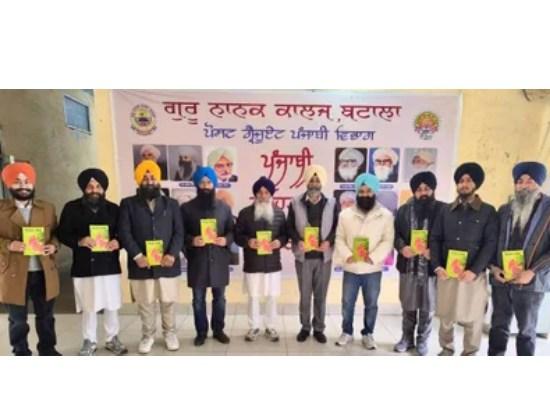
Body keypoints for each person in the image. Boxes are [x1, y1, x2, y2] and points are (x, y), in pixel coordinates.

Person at [57, 168, 127, 356]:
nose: (94, 190)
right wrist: (79, 241)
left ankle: (112, 338)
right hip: (84, 265)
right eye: (90, 186)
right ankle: (89, 340)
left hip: (109, 265)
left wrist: (118, 242)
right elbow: (62, 233)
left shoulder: (114, 209)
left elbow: (123, 232)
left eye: (98, 186)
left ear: (104, 188)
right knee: (89, 305)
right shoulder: (71, 208)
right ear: (83, 188)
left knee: (112, 304)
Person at [430, 162, 498, 356]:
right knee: (446, 315)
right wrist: (437, 266)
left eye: (468, 180)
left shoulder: (487, 211)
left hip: (473, 275)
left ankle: (470, 352)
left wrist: (474, 271)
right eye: (460, 181)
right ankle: (446, 348)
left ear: (476, 184)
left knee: (473, 317)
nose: (464, 184)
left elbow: (490, 243)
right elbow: (435, 239)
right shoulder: (446, 210)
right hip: (447, 272)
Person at [118, 160, 184, 354]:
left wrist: (172, 254)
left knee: (168, 301)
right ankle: (147, 336)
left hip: (167, 263)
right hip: (141, 264)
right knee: (145, 303)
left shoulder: (171, 204)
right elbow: (124, 232)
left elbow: (179, 232)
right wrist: (137, 255)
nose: (149, 181)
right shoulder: (128, 204)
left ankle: (170, 333)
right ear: (139, 181)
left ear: (158, 180)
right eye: (145, 178)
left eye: (153, 177)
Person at [489, 161, 550, 355]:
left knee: (526, 331)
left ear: (539, 183)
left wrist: (532, 271)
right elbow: (491, 241)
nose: (524, 186)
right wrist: (493, 268)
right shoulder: (505, 210)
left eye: (529, 181)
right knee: (498, 326)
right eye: (519, 181)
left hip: (531, 282)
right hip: (502, 279)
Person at [0, 162, 61, 355]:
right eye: (17, 181)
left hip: (44, 271)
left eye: (27, 181)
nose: (23, 186)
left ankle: (48, 349)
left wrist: (54, 246)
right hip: (13, 272)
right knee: (17, 319)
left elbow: (56, 234)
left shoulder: (47, 208)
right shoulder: (1, 210)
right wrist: (8, 245)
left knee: (46, 316)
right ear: (9, 184)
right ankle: (20, 351)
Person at [334, 173, 394, 349]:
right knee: (347, 303)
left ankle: (368, 334)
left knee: (371, 304)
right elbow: (339, 238)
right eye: (361, 191)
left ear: (374, 192)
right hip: (351, 267)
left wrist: (373, 257)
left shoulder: (385, 215)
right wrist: (347, 255)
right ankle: (347, 332)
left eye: (368, 191)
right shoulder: (345, 215)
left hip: (372, 269)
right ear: (357, 193)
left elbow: (387, 241)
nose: (365, 194)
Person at [181, 166, 235, 346]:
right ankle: (201, 332)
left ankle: (218, 330)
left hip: (219, 260)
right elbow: (180, 234)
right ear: (197, 184)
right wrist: (192, 240)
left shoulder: (224, 208)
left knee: (220, 299)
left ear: (214, 184)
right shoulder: (187, 208)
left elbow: (232, 231)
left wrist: (225, 240)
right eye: (202, 183)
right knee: (198, 300)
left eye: (209, 182)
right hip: (198, 261)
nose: (205, 186)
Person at [393, 171, 445, 355]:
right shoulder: (404, 211)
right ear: (414, 191)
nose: (423, 193)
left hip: (431, 269)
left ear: (433, 190)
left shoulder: (443, 210)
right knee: (408, 305)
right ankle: (406, 338)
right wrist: (402, 248)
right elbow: (396, 235)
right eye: (419, 189)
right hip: (408, 267)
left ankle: (422, 340)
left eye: (426, 189)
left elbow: (448, 238)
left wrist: (436, 253)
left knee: (427, 307)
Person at [287, 164, 339, 343]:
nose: (314, 183)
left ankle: (319, 328)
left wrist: (329, 241)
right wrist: (297, 240)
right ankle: (305, 327)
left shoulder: (332, 203)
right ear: (306, 181)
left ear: (322, 182)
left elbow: (337, 227)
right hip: (303, 258)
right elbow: (289, 227)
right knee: (305, 295)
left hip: (324, 258)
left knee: (320, 295)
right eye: (311, 179)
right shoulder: (295, 202)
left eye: (317, 180)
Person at [235, 176, 288, 342]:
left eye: (266, 192)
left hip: (273, 264)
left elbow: (285, 235)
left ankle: (270, 326)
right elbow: (237, 236)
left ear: (271, 194)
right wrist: (248, 242)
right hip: (253, 263)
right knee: (253, 296)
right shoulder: (245, 213)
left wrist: (279, 242)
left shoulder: (279, 213)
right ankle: (253, 327)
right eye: (260, 192)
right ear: (255, 194)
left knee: (272, 296)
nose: (263, 196)